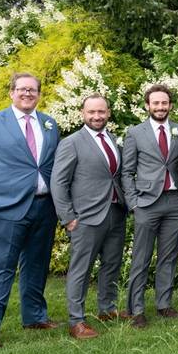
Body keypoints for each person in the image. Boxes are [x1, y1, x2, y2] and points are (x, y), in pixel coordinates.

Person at [0, 72, 60, 349]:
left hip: (44, 207)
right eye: (22, 89)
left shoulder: (50, 124)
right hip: (5, 209)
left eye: (33, 90)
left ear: (39, 94)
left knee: (37, 267)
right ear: (12, 93)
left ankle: (34, 317)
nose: (27, 94)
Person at [50, 94, 127, 339]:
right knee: (81, 270)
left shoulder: (112, 139)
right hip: (85, 218)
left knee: (112, 265)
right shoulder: (71, 142)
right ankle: (76, 321)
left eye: (101, 112)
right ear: (83, 113)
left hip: (115, 212)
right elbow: (58, 181)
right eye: (91, 112)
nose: (97, 116)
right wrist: (68, 217)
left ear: (108, 113)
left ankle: (107, 308)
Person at [121, 84, 178, 327]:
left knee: (169, 256)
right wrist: (134, 203)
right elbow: (126, 172)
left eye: (164, 103)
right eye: (155, 103)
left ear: (170, 105)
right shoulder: (135, 133)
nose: (160, 107)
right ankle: (136, 309)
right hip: (147, 203)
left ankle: (164, 304)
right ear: (147, 105)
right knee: (141, 257)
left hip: (175, 200)